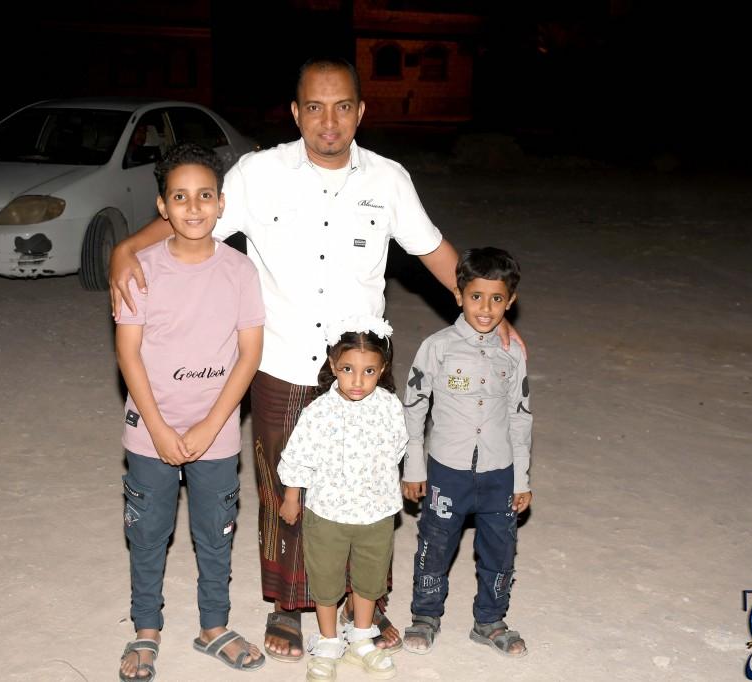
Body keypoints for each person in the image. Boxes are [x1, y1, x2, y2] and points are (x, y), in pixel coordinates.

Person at [109, 57, 524, 661]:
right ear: (295, 112)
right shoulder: (258, 173)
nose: (328, 121)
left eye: (342, 107)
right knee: (284, 488)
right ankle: (287, 605)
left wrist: (491, 314)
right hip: (279, 358)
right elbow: (191, 217)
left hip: (361, 366)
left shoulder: (388, 179)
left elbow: (435, 251)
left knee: (366, 486)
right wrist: (126, 248)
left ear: (360, 111)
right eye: (314, 107)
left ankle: (364, 602)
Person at [115, 142, 266, 680]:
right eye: (180, 197)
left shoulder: (241, 271)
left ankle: (213, 627)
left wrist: (211, 424)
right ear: (162, 206)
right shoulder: (140, 270)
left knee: (215, 532)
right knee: (148, 533)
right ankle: (145, 630)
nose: (194, 207)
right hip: (150, 430)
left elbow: (249, 354)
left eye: (205, 195)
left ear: (222, 203)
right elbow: (128, 352)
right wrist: (157, 427)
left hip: (215, 431)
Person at [400, 247, 533, 658]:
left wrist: (521, 477)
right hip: (448, 468)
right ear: (458, 295)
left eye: (497, 299)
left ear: (510, 301)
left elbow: (520, 415)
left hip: (499, 469)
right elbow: (414, 405)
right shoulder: (437, 347)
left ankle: (490, 620)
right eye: (476, 296)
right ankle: (425, 615)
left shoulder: (513, 353)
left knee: (500, 549)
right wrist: (413, 465)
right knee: (435, 544)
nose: (486, 308)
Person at [277, 316, 407, 681]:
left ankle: (362, 637)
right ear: (333, 365)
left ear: (382, 369)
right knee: (326, 579)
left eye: (369, 371)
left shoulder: (389, 407)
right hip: (327, 513)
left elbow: (397, 448)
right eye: (348, 369)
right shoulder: (319, 411)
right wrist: (292, 496)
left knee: (369, 577)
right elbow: (298, 455)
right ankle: (329, 640)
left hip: (376, 512)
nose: (357, 381)